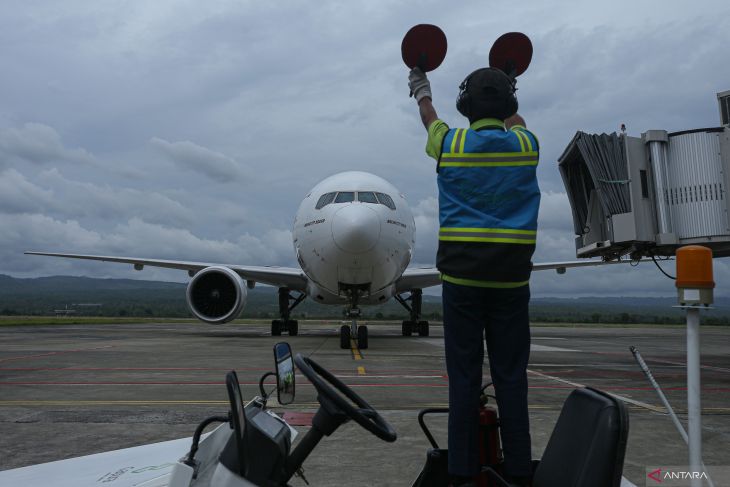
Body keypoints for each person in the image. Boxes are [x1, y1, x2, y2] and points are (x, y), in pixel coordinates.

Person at [408, 65, 540, 487]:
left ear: (465, 107)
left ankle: (461, 474)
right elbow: (518, 124)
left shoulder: (450, 143)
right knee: (511, 379)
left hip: (462, 283)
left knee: (463, 380)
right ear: (509, 106)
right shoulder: (525, 144)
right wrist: (509, 92)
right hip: (511, 283)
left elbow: (431, 118)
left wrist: (421, 90)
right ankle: (518, 472)